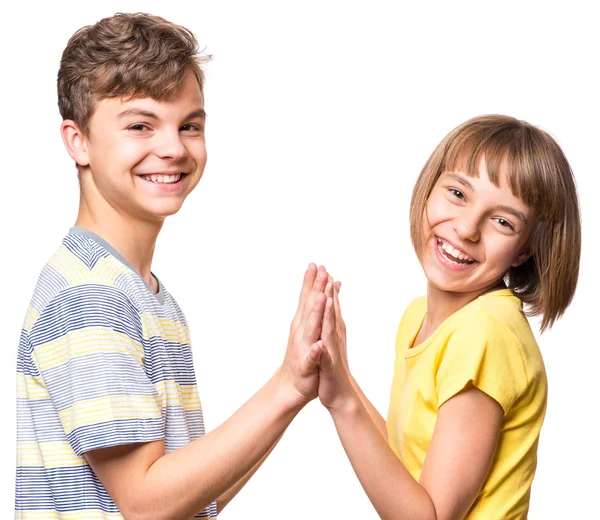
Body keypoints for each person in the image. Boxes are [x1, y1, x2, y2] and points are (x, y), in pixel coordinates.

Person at [15, 13, 331, 519]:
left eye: (190, 125)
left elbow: (187, 500)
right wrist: (284, 389)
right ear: (77, 141)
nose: (174, 148)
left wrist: (293, 390)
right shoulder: (92, 296)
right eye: (140, 125)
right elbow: (145, 504)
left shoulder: (141, 292)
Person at [315, 115, 581, 518]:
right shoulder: (419, 316)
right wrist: (340, 378)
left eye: (503, 222)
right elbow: (402, 468)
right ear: (429, 188)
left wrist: (340, 401)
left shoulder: (486, 332)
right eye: (458, 193)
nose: (467, 228)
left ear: (525, 249)